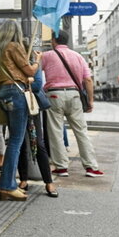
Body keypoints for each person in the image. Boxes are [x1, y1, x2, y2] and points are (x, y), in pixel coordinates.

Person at [41, 29, 104, 179]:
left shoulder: (47, 56)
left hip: (54, 95)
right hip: (74, 95)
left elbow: (36, 72)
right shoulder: (78, 56)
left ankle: (61, 167)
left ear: (54, 41)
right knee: (81, 131)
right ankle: (91, 167)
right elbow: (88, 80)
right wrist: (90, 100)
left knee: (55, 131)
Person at [0, 20, 37, 201]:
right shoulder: (14, 46)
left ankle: (8, 182)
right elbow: (30, 72)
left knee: (12, 140)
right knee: (16, 141)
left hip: (3, 92)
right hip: (17, 91)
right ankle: (7, 186)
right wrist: (37, 61)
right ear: (17, 32)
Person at [17, 38, 58, 198]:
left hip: (32, 106)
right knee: (20, 144)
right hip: (19, 106)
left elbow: (36, 85)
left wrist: (26, 79)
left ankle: (48, 182)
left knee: (39, 143)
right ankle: (23, 179)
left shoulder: (34, 64)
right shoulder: (15, 63)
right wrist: (27, 80)